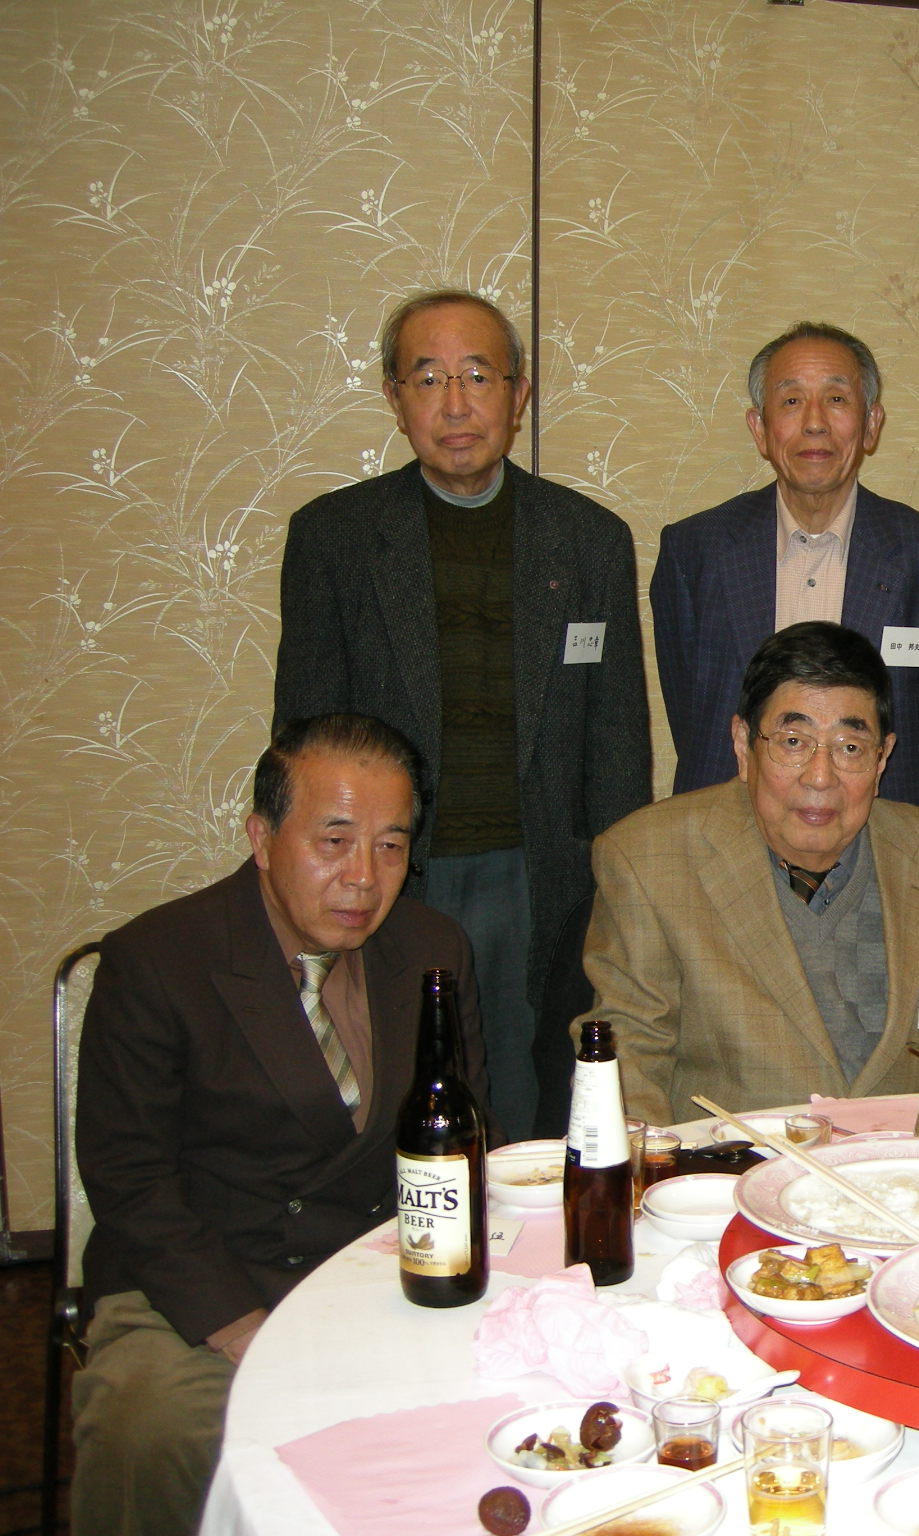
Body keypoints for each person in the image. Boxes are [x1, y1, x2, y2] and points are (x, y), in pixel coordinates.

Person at [71, 714, 488, 1536]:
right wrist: (240, 1329)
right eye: (334, 842)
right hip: (203, 1280)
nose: (363, 878)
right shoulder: (159, 959)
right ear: (262, 839)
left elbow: (466, 1132)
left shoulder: (432, 948)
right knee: (154, 1429)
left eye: (391, 846)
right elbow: (130, 1179)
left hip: (378, 1268)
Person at [274, 288, 651, 1140]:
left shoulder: (587, 538)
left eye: (478, 376)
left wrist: (620, 884)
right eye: (428, 378)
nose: (455, 404)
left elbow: (616, 736)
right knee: (395, 1081)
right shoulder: (334, 538)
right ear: (393, 396)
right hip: (394, 864)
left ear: (519, 394)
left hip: (540, 869)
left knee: (519, 1093)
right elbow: (303, 735)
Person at [581, 622, 919, 1122]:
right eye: (793, 741)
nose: (821, 777)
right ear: (743, 745)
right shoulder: (648, 859)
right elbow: (628, 1062)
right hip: (728, 1164)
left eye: (850, 747)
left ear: (882, 759)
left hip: (902, 1162)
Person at [651, 322, 919, 815]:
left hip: (882, 831)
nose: (814, 423)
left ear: (871, 424)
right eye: (791, 401)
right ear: (759, 429)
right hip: (727, 827)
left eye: (836, 399)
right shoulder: (695, 551)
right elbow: (691, 714)